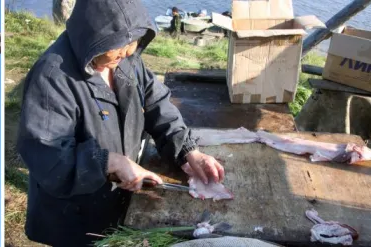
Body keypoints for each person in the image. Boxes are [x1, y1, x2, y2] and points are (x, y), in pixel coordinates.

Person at [16, 0, 226, 246]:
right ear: (94, 35)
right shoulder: (52, 78)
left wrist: (188, 150)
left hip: (118, 197)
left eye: (132, 41)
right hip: (75, 215)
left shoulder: (126, 58)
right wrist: (110, 161)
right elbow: (47, 156)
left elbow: (158, 104)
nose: (126, 52)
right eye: (118, 45)